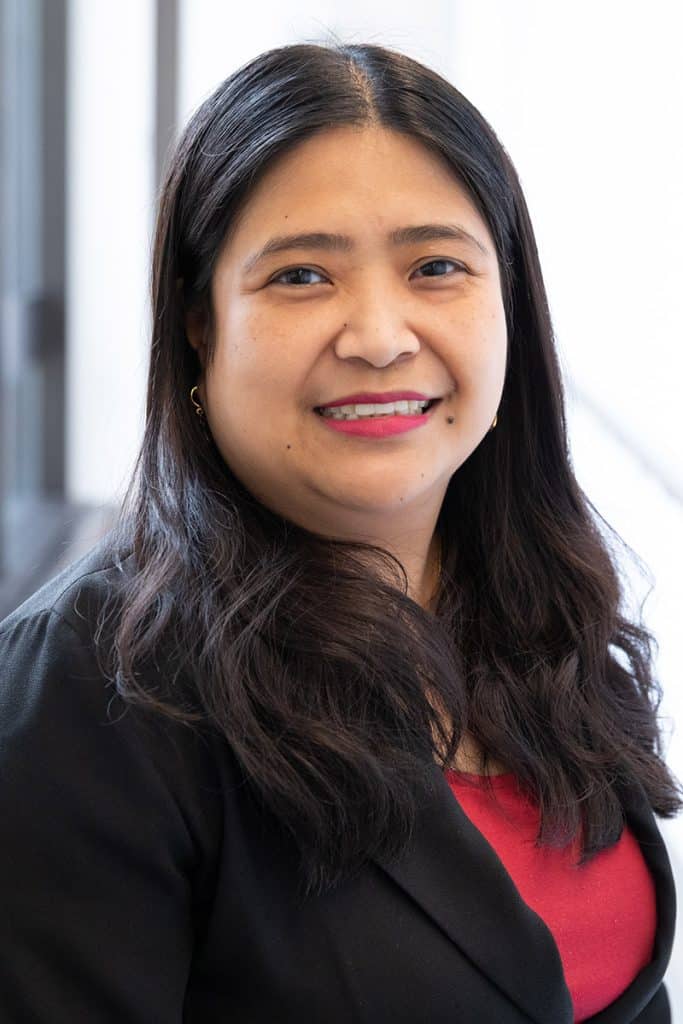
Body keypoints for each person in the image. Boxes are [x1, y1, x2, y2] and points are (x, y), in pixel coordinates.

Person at [0, 41, 679, 1024]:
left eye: (436, 266)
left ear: (508, 300)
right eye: (302, 276)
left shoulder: (537, 610)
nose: (377, 334)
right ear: (200, 321)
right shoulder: (88, 690)